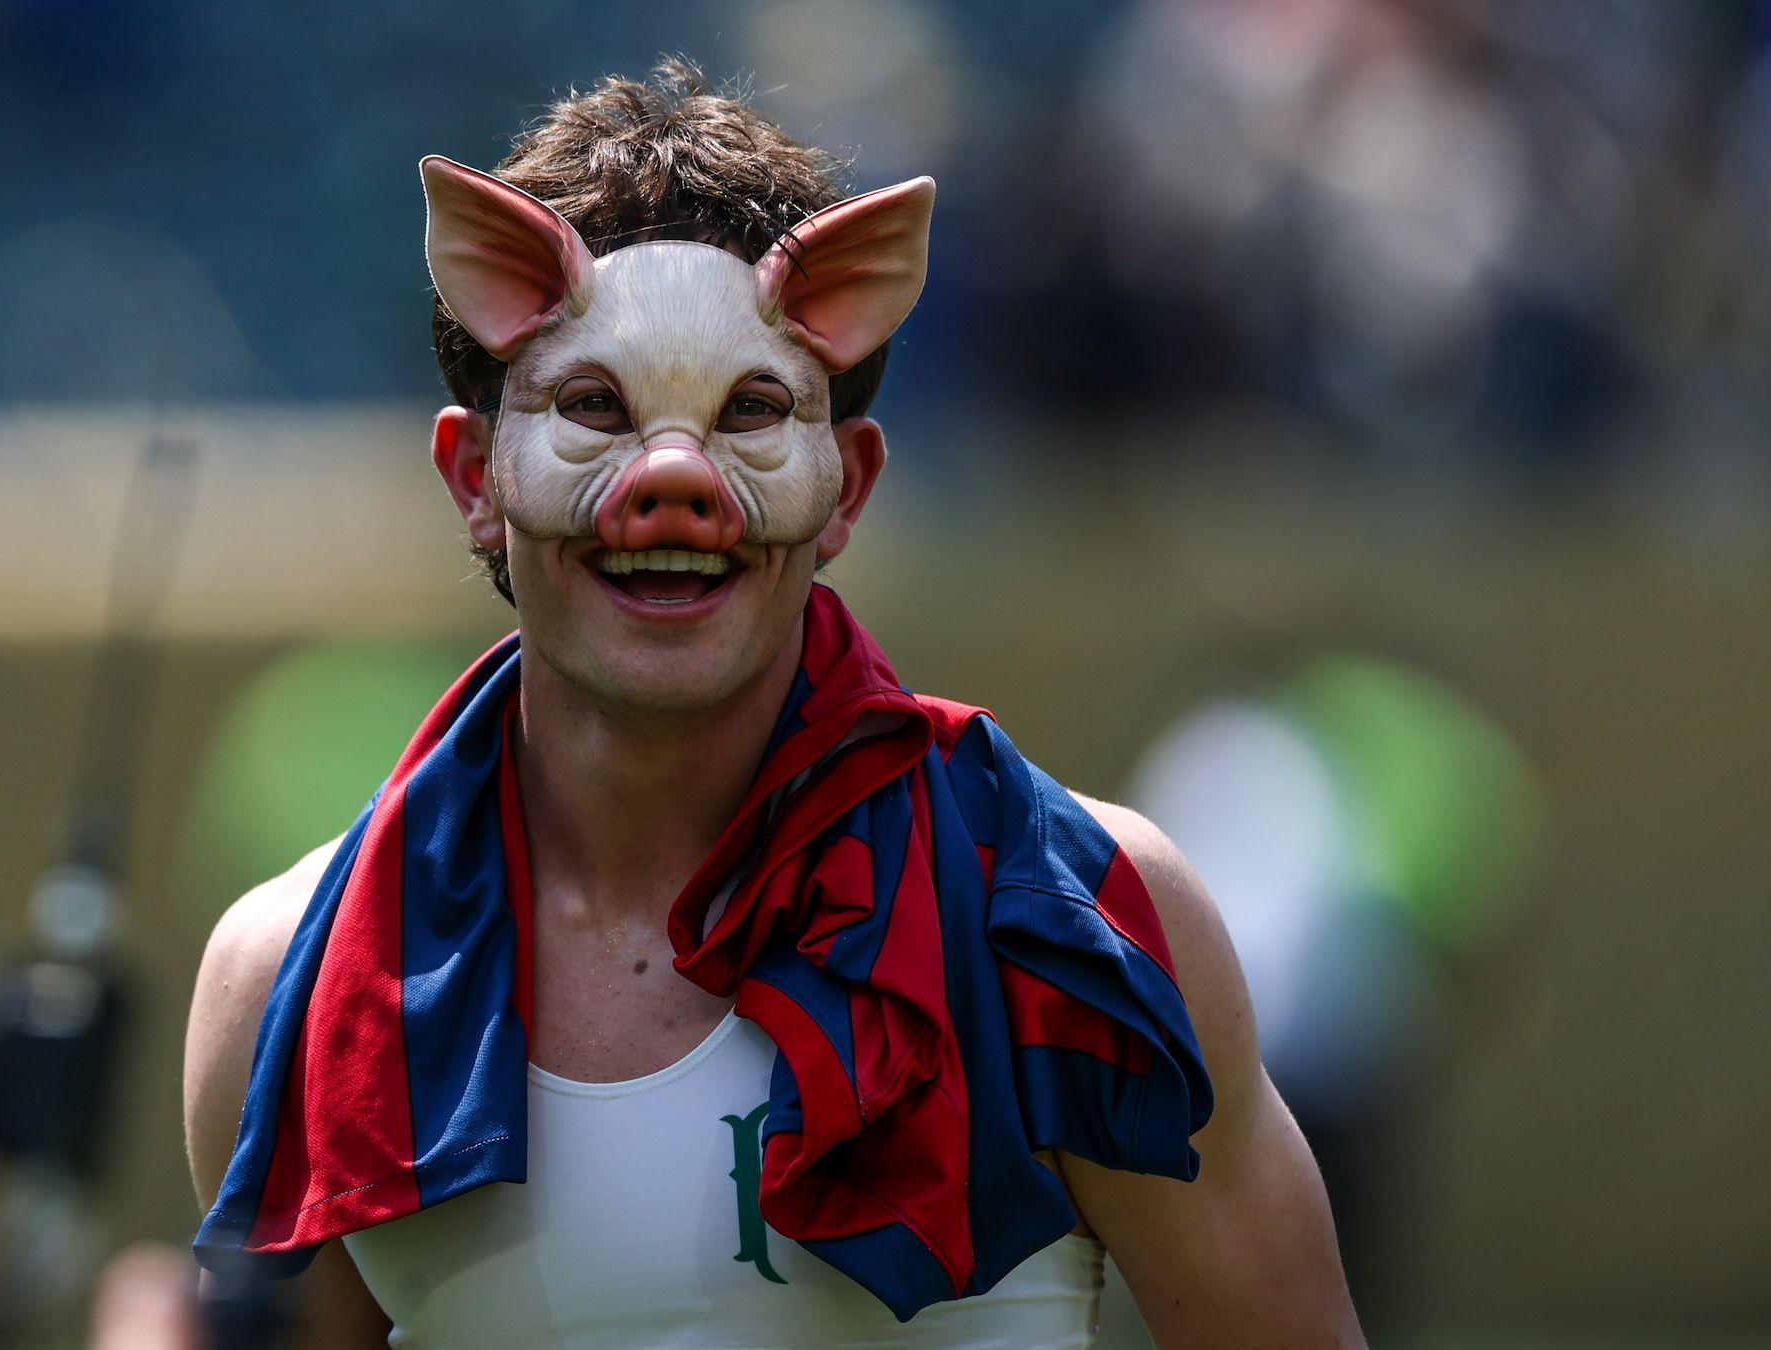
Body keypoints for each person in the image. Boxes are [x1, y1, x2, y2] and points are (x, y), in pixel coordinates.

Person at [184, 60, 1363, 1349]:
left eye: (752, 411)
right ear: (476, 477)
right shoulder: (289, 980)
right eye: (592, 407)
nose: (673, 485)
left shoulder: (1078, 918)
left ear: (846, 487)